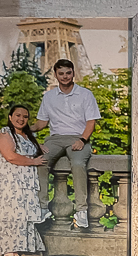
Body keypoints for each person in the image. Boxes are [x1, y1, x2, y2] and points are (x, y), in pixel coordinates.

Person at [32, 59, 99, 229]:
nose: (65, 76)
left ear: (73, 73)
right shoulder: (48, 96)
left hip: (78, 137)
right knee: (41, 162)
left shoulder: (85, 94)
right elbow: (41, 124)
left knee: (77, 164)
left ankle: (81, 210)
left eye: (68, 73)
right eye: (61, 73)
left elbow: (91, 122)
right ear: (55, 75)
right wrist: (21, 128)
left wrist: (82, 140)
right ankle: (42, 207)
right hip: (55, 139)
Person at [0, 104, 46, 256]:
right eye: (18, 115)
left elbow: (30, 151)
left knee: (22, 215)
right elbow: (10, 156)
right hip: (11, 181)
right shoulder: (5, 133)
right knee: (11, 214)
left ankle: (16, 251)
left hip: (26, 183)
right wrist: (33, 162)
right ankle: (9, 251)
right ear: (10, 117)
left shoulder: (27, 136)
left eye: (25, 116)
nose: (21, 119)